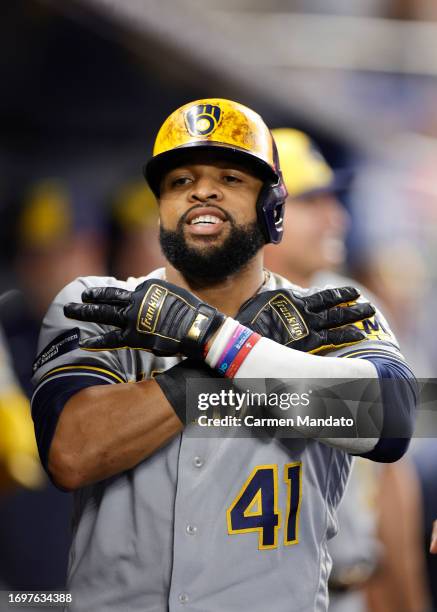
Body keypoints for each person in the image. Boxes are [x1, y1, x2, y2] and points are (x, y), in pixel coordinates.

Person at [31, 99, 416, 611]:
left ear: (271, 206)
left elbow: (391, 423)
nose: (202, 191)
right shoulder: (100, 304)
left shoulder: (330, 312)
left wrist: (217, 340)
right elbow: (70, 454)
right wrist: (218, 356)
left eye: (231, 178)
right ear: (161, 209)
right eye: (180, 181)